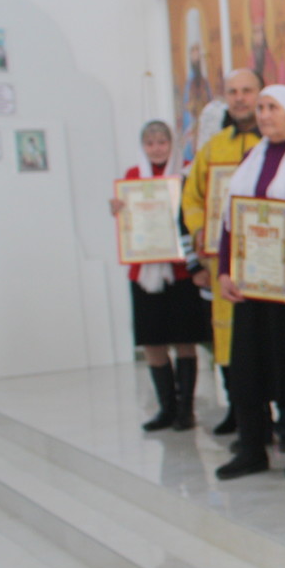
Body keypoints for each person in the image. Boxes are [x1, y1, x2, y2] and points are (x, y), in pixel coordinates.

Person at [215, 86, 285, 480]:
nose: (263, 114)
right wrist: (225, 269)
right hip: (252, 282)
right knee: (247, 370)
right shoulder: (251, 158)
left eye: (272, 107)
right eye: (260, 108)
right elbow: (231, 219)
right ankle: (252, 449)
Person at [181, 69, 264, 436]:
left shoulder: (276, 141)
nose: (240, 98)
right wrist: (201, 231)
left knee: (272, 337)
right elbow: (192, 198)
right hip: (224, 262)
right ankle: (240, 409)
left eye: (247, 90)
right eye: (233, 92)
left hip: (269, 260)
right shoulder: (214, 147)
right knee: (230, 338)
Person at [114, 120, 208, 432]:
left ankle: (186, 409)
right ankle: (166, 408)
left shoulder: (185, 172)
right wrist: (119, 209)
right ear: (143, 146)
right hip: (145, 272)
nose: (156, 149)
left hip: (181, 271)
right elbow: (130, 221)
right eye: (150, 143)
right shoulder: (132, 176)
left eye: (162, 142)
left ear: (172, 144)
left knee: (184, 339)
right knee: (152, 341)